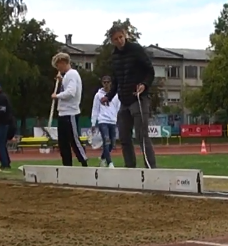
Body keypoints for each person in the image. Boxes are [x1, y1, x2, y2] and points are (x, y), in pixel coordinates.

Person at [101, 24, 157, 168]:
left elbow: (150, 71)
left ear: (125, 35)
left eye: (121, 37)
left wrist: (144, 84)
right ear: (112, 41)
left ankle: (151, 168)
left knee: (141, 135)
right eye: (115, 39)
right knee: (124, 137)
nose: (119, 41)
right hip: (123, 101)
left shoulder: (136, 50)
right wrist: (109, 95)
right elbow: (116, 79)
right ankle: (130, 168)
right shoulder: (114, 56)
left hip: (138, 98)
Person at [51, 52, 88, 167]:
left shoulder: (72, 74)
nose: (58, 68)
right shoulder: (67, 76)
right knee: (63, 143)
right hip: (63, 112)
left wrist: (57, 96)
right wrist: (62, 80)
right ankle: (67, 165)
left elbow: (71, 92)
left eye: (58, 66)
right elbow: (68, 88)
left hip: (70, 113)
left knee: (73, 140)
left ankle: (84, 162)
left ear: (62, 63)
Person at [90, 75, 120, 167]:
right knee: (106, 141)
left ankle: (103, 158)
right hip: (103, 121)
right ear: (102, 83)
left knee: (112, 143)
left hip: (112, 121)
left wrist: (117, 119)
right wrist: (93, 122)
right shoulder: (98, 95)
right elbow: (95, 109)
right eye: (104, 82)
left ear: (111, 83)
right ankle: (110, 162)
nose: (106, 84)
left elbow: (118, 107)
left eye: (108, 82)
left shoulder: (116, 95)